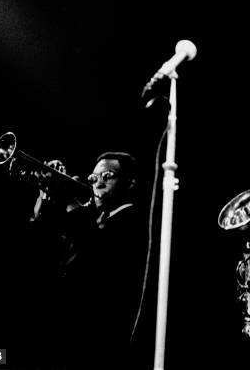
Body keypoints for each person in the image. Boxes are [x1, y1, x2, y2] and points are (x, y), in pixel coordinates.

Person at [31, 151, 150, 369]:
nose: (98, 183)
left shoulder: (132, 220)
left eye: (107, 176)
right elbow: (41, 237)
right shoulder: (88, 217)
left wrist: (69, 200)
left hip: (100, 336)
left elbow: (97, 250)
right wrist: (46, 193)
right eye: (93, 178)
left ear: (130, 183)